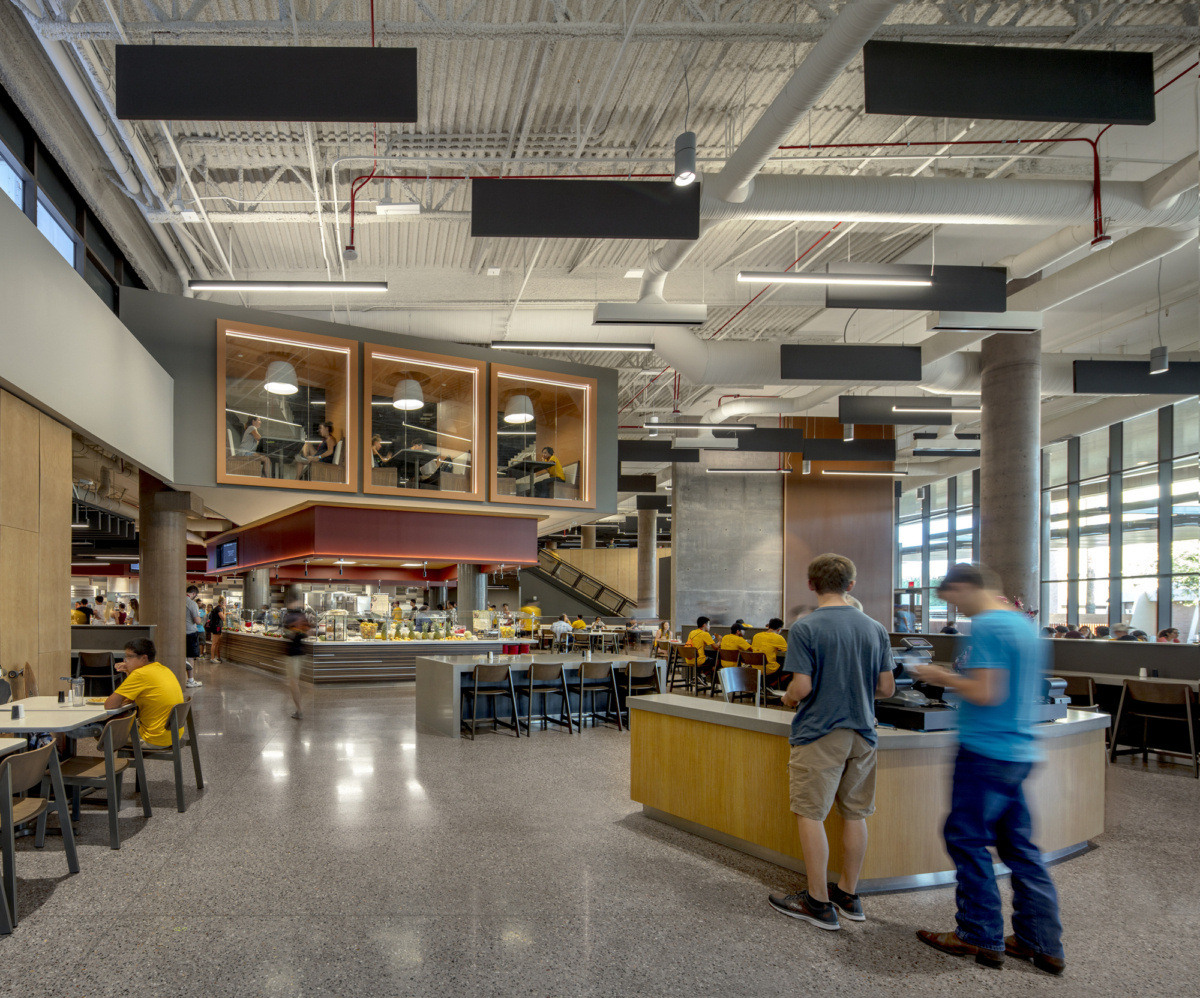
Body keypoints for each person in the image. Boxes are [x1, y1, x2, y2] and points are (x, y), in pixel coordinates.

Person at [911, 563, 1065, 976]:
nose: (955, 609)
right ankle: (1041, 941)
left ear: (965, 587)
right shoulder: (1022, 626)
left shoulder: (989, 626)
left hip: (985, 751)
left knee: (965, 839)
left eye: (952, 599)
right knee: (1020, 849)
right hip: (1018, 750)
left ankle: (978, 934)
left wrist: (939, 675)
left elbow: (985, 691)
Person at [768, 554, 894, 932]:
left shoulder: (805, 627)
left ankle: (818, 902)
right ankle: (849, 895)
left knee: (811, 813)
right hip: (864, 732)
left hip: (820, 731)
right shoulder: (876, 628)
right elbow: (886, 688)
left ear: (811, 585)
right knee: (855, 814)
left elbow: (801, 687)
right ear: (851, 585)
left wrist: (788, 698)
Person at [104, 638, 185, 747]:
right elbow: (132, 698)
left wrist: (131, 672)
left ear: (144, 658)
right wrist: (129, 671)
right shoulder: (163, 669)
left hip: (154, 738)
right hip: (173, 735)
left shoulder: (140, 674)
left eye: (129, 657)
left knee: (105, 732)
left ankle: (121, 757)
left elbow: (109, 705)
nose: (125, 661)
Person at [282, 587, 309, 720]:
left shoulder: (289, 617)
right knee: (294, 681)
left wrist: (292, 632)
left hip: (292, 653)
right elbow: (307, 632)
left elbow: (288, 634)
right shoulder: (302, 615)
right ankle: (299, 708)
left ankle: (299, 710)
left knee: (293, 683)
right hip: (301, 652)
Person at [184, 584, 204, 689]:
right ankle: (190, 680)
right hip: (190, 632)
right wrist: (201, 619)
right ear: (194, 593)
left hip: (180, 633)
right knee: (190, 657)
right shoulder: (192, 604)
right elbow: (197, 620)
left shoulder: (179, 601)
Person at [208, 597, 226, 663]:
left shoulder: (217, 608)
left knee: (217, 643)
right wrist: (224, 611)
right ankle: (212, 658)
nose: (226, 603)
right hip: (217, 627)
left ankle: (218, 657)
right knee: (214, 643)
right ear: (222, 602)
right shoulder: (219, 609)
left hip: (216, 626)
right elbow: (223, 618)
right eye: (225, 602)